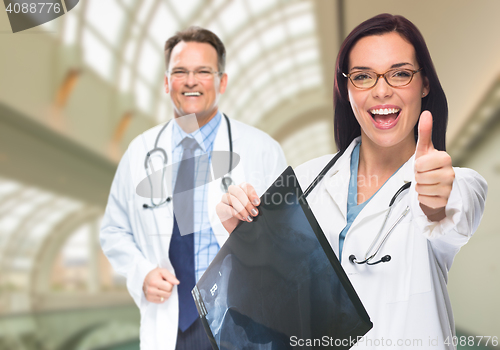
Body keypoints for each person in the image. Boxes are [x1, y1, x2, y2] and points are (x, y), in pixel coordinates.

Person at [216, 14, 487, 349]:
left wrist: (436, 204)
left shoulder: (457, 184)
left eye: (400, 73)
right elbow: (276, 298)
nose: (382, 90)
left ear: (425, 83)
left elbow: (453, 213)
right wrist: (245, 238)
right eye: (363, 77)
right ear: (346, 89)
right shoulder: (305, 181)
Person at [100, 26, 286, 350]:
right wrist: (141, 273)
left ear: (222, 81)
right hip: (170, 326)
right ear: (166, 81)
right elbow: (114, 229)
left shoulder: (262, 149)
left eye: (203, 71)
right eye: (180, 71)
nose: (190, 81)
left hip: (238, 322)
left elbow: (288, 239)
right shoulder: (140, 151)